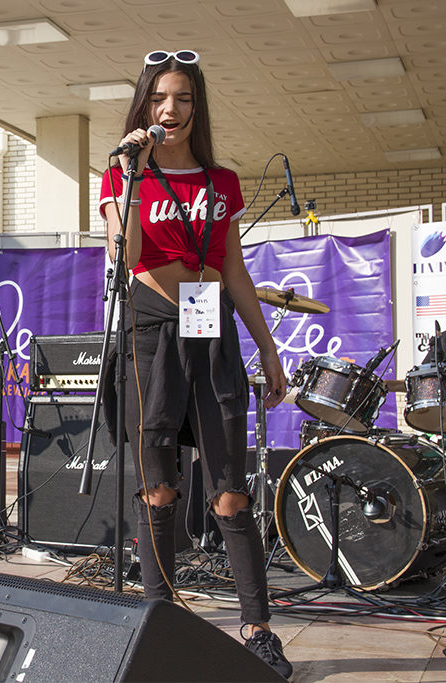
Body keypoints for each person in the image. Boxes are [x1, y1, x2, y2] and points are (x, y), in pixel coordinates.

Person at [99, 51, 292, 678]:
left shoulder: (221, 181)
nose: (170, 110)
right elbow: (124, 253)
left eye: (181, 99)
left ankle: (258, 629)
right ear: (144, 106)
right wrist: (131, 170)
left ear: (195, 106)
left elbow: (233, 266)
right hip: (150, 326)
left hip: (211, 324)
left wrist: (265, 344)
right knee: (158, 480)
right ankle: (157, 621)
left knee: (230, 487)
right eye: (159, 99)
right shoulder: (123, 175)